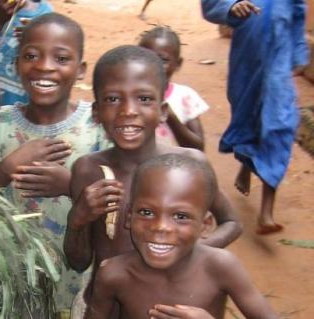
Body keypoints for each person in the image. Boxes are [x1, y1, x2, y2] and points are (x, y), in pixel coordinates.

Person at [64, 45, 242, 312]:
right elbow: (78, 261)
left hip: (174, 308)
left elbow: (232, 223)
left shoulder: (189, 167)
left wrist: (186, 250)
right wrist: (77, 219)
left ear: (163, 111)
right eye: (113, 99)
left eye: (144, 99)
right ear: (96, 112)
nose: (128, 110)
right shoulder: (89, 171)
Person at [0, 13, 109, 316]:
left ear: (80, 70)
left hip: (76, 280)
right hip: (9, 282)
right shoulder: (0, 122)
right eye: (31, 55)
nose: (44, 66)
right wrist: (3, 170)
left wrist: (70, 186)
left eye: (61, 58)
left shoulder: (98, 124)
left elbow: (121, 194)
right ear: (16, 64)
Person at [86, 153, 278, 319]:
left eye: (180, 216)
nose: (161, 227)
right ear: (129, 217)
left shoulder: (221, 267)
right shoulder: (114, 275)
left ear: (205, 225)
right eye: (146, 212)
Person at [201, 0, 310, 234]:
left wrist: (299, 53)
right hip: (246, 65)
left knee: (279, 126)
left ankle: (266, 213)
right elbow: (211, 4)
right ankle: (247, 162)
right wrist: (231, 7)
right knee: (247, 120)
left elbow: (299, 14)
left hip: (278, 66)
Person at [140, 26, 208, 151]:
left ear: (178, 64)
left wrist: (169, 115)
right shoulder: (128, 97)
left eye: (163, 60)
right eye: (146, 58)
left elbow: (198, 147)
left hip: (174, 168)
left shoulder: (184, 97)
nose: (154, 66)